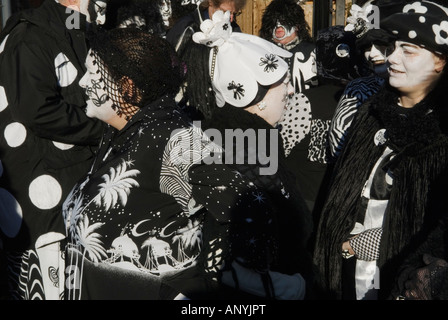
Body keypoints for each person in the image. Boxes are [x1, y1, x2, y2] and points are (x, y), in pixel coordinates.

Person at [63, 25, 306, 300]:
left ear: (127, 88)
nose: (82, 82)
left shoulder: (172, 138)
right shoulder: (119, 133)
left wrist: (192, 281)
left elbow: (252, 209)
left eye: (92, 74)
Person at [313, 0, 448, 300]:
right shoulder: (370, 114)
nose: (392, 59)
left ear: (440, 61)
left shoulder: (442, 135)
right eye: (393, 47)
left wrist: (384, 241)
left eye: (408, 51)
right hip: (343, 280)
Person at [181, 10, 314, 299]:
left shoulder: (242, 138)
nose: (290, 91)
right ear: (257, 97)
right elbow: (230, 264)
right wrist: (297, 288)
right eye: (283, 84)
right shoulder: (249, 152)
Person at [0, 0, 108, 300]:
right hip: (45, 195)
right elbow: (38, 111)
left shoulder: (73, 27)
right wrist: (106, 128)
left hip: (71, 184)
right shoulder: (31, 36)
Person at [278, 25, 368, 217]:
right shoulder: (365, 99)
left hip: (308, 201)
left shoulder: (303, 100)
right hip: (344, 202)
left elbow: (280, 150)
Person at [327, 0, 405, 162]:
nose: (373, 54)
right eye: (367, 47)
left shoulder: (424, 87)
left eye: (381, 45)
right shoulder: (359, 90)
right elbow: (339, 149)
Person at [259, 0, 317, 93]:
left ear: (297, 26)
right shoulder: (263, 52)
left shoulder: (312, 52)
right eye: (274, 22)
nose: (278, 26)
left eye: (284, 21)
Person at [166, 0, 246, 55]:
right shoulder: (187, 27)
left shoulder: (234, 29)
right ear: (211, 2)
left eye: (234, 14)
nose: (230, 19)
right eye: (224, 12)